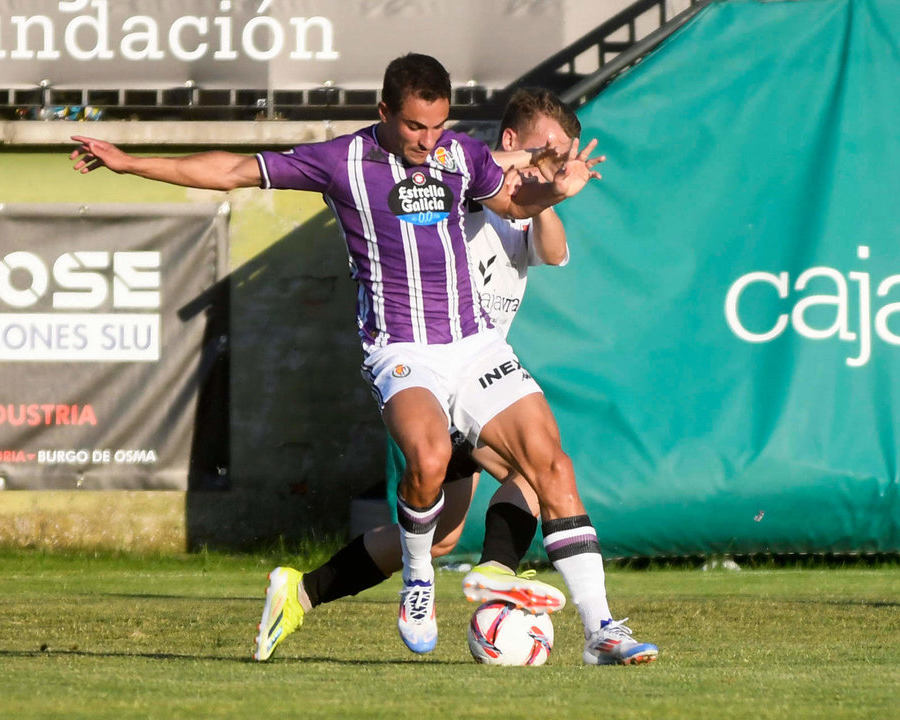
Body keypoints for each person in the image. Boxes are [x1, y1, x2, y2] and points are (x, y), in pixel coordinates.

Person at [69, 53, 657, 666]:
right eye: (414, 128)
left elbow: (512, 203)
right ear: (383, 113)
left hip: (475, 346)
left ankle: (600, 629)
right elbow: (232, 170)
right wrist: (131, 161)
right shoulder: (340, 161)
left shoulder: (460, 155)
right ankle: (422, 579)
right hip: (402, 350)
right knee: (430, 462)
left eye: (438, 126)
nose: (429, 142)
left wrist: (549, 192)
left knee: (551, 467)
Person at [254, 88, 585, 662]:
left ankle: (302, 592)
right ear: (508, 142)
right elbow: (459, 174)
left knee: (442, 537)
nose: (557, 158)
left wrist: (547, 191)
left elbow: (554, 253)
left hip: (479, 379)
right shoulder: (456, 177)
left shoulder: (517, 205)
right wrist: (521, 173)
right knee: (535, 472)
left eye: (567, 151)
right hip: (431, 370)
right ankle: (495, 577)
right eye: (548, 148)